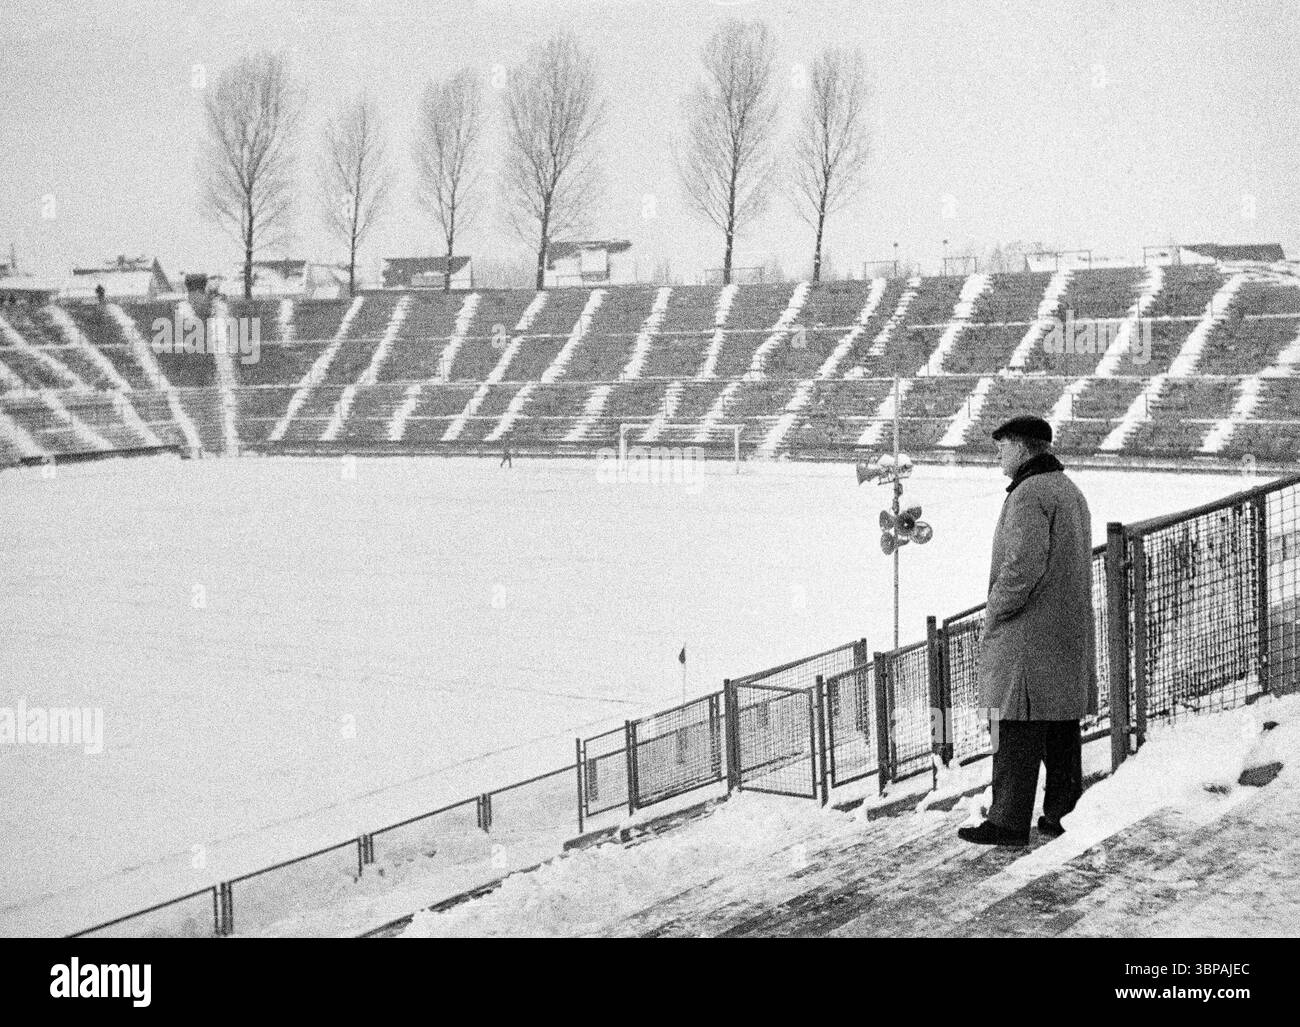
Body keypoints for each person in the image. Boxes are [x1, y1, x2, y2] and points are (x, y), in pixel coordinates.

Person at [958, 414, 1097, 847]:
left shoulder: (1028, 495)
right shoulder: (1069, 491)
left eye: (1002, 447)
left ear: (1021, 448)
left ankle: (1008, 821)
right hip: (1065, 632)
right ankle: (1061, 815)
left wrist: (995, 611)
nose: (998, 454)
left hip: (1028, 636)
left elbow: (1022, 567)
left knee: (1014, 725)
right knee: (1059, 728)